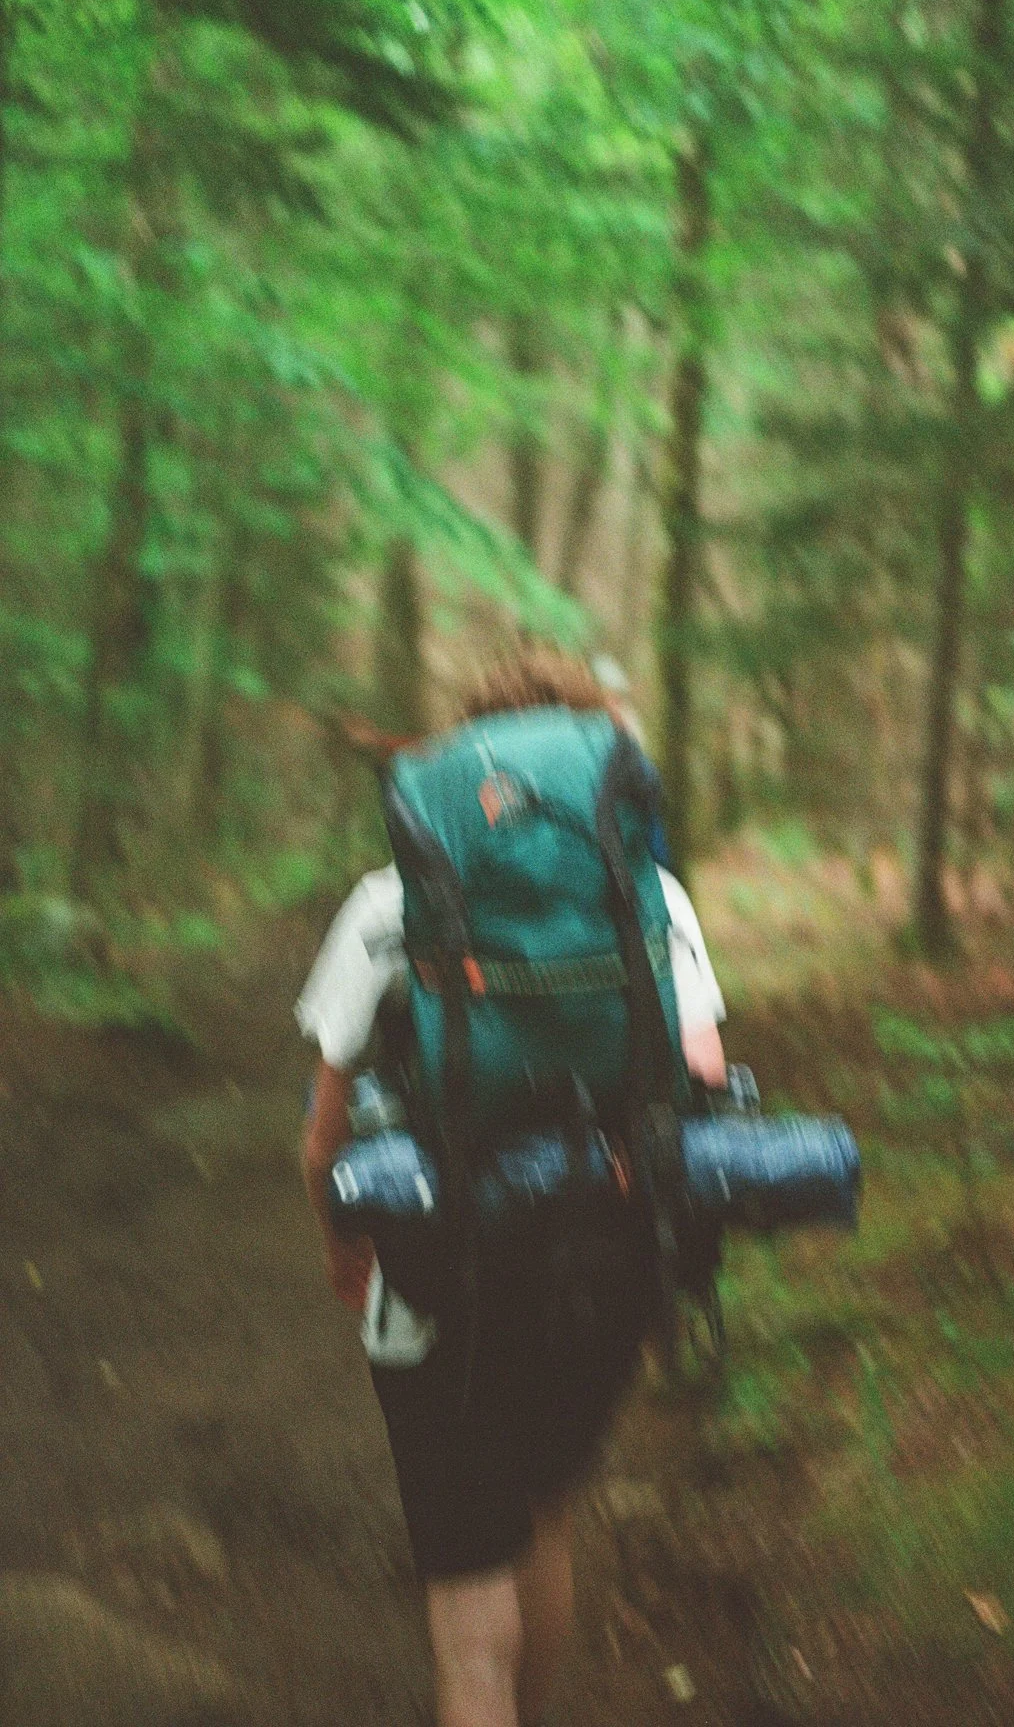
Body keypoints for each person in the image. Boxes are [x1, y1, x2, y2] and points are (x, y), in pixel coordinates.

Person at [296, 649, 726, 1727]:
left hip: (443, 1277)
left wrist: (344, 1248)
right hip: (611, 1263)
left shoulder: (389, 903)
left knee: (467, 1608)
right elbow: (705, 1079)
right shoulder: (655, 898)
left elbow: (322, 1141)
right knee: (547, 1521)